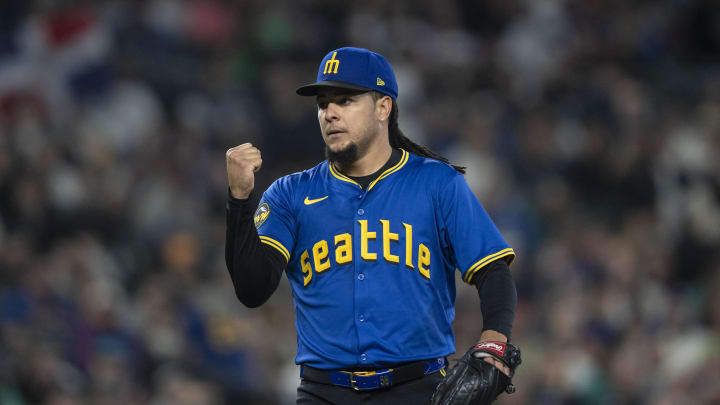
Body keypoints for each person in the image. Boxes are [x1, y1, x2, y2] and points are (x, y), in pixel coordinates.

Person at [225, 47, 521, 405]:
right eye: (323, 104)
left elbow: (493, 271)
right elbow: (252, 290)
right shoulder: (291, 193)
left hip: (417, 390)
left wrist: (493, 341)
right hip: (323, 393)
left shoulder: (437, 184)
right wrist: (240, 200)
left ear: (384, 107)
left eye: (345, 100)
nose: (329, 113)